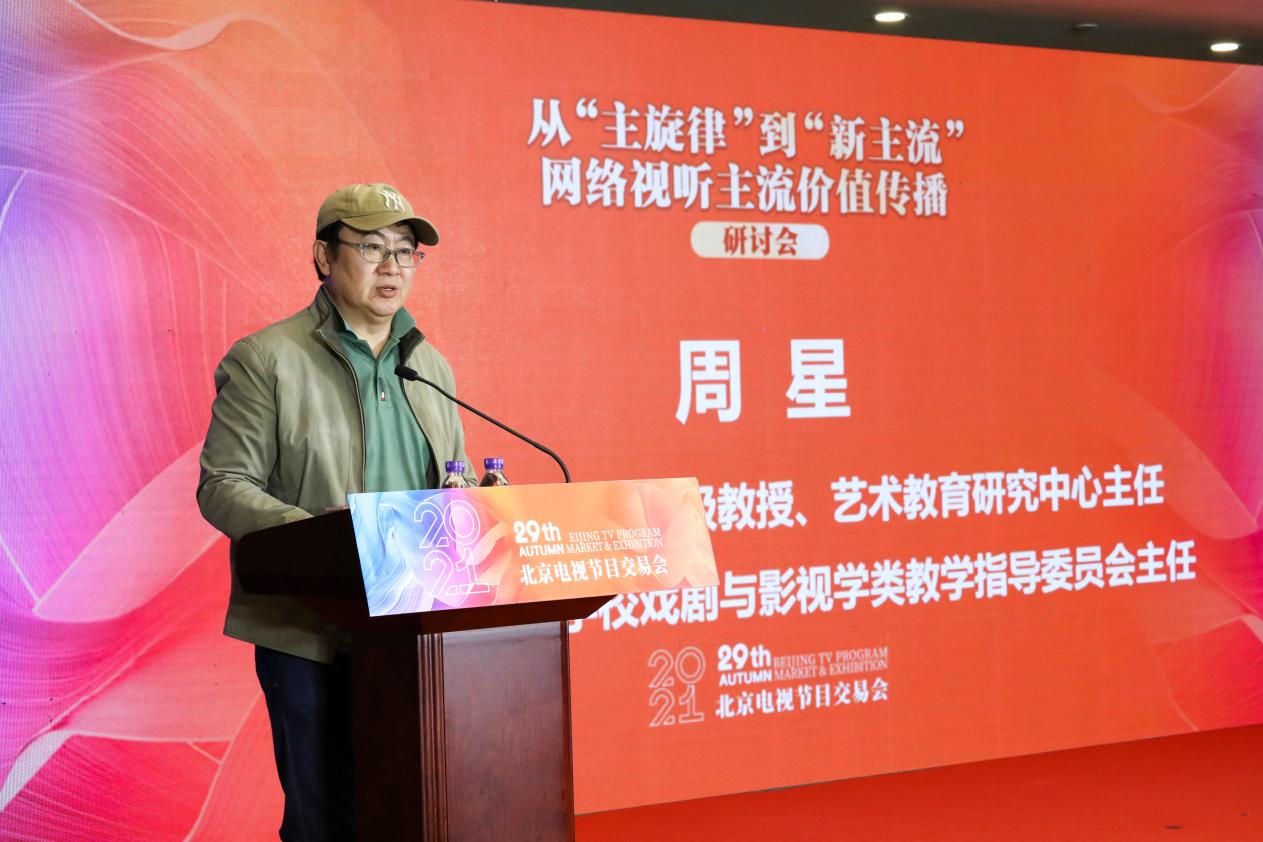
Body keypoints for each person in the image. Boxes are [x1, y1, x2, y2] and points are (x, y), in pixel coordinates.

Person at [196, 183, 475, 840]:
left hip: (411, 635)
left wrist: (480, 508)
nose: (392, 267)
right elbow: (223, 484)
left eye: (405, 252)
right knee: (323, 820)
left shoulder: (429, 367)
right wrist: (322, 542)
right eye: (372, 247)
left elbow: (454, 479)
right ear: (324, 257)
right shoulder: (267, 359)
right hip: (308, 629)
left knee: (406, 811)